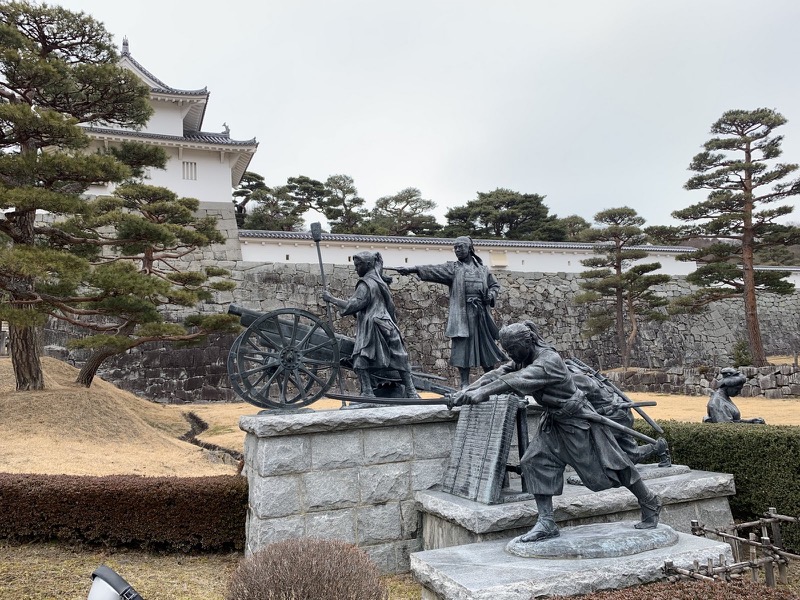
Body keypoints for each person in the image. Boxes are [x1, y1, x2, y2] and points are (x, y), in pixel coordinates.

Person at [452, 321, 661, 543]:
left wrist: (483, 393)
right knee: (534, 461)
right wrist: (468, 390)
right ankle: (546, 522)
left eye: (513, 349)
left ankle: (649, 501)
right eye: (507, 350)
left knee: (610, 468)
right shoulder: (524, 359)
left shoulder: (547, 361)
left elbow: (516, 380)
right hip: (554, 421)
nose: (510, 354)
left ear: (528, 341)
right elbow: (499, 373)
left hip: (577, 422)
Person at [394, 236, 506, 388]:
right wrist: (411, 269)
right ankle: (464, 383)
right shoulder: (453, 268)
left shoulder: (483, 269)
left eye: (460, 247)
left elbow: (494, 286)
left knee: (485, 346)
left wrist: (490, 296)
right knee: (462, 347)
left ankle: (490, 380)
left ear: (470, 248)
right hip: (463, 315)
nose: (457, 250)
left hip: (481, 314)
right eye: (455, 248)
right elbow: (433, 269)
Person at [322, 251, 419, 399]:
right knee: (400, 357)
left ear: (367, 265)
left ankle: (368, 392)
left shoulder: (366, 284)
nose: (356, 269)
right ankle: (411, 392)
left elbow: (354, 304)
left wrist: (331, 299)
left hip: (373, 327)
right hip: (387, 325)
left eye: (358, 265)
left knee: (361, 359)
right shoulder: (377, 279)